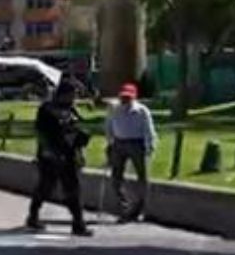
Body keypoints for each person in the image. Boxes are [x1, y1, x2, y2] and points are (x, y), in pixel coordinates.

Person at [27, 78, 93, 236]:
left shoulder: (72, 110)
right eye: (72, 94)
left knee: (73, 190)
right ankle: (33, 216)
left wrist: (81, 148)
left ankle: (78, 223)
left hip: (69, 155)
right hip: (51, 155)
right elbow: (40, 132)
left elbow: (75, 130)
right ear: (63, 94)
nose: (74, 98)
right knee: (45, 188)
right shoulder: (47, 109)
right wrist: (47, 151)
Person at [106, 82, 157, 223]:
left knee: (142, 177)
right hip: (119, 143)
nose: (125, 100)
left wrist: (150, 146)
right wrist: (109, 143)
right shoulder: (114, 109)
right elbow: (109, 126)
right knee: (116, 177)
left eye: (128, 98)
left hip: (137, 143)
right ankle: (124, 208)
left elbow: (149, 130)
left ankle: (139, 209)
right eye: (123, 97)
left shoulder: (142, 111)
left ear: (134, 98)